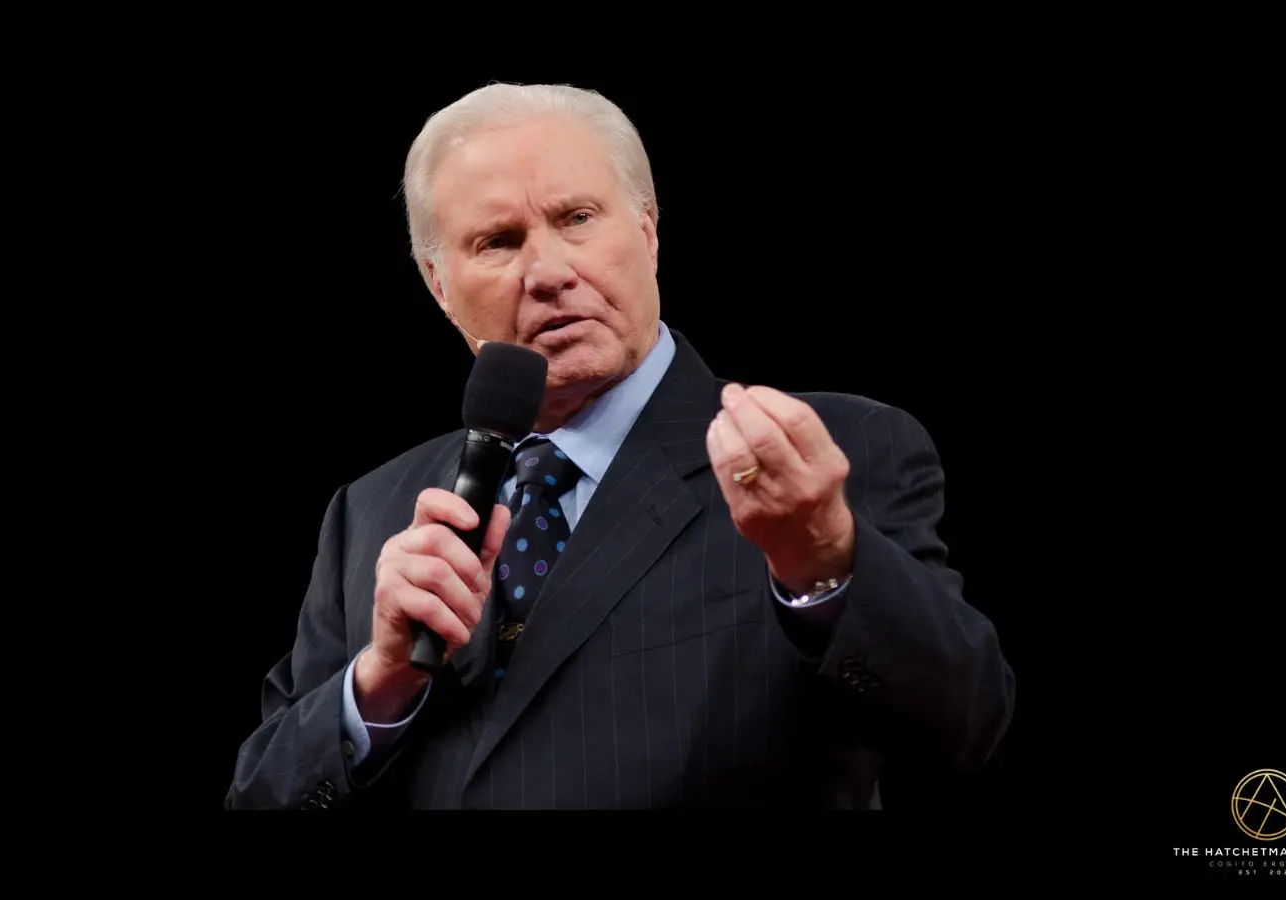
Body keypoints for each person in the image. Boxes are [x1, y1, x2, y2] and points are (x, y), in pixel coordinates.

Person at [225, 82, 1014, 810]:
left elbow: (963, 726)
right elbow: (260, 796)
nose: (547, 272)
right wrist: (379, 685)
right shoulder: (369, 513)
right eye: (498, 241)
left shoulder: (828, 454)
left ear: (648, 231)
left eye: (576, 218)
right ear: (438, 284)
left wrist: (823, 560)